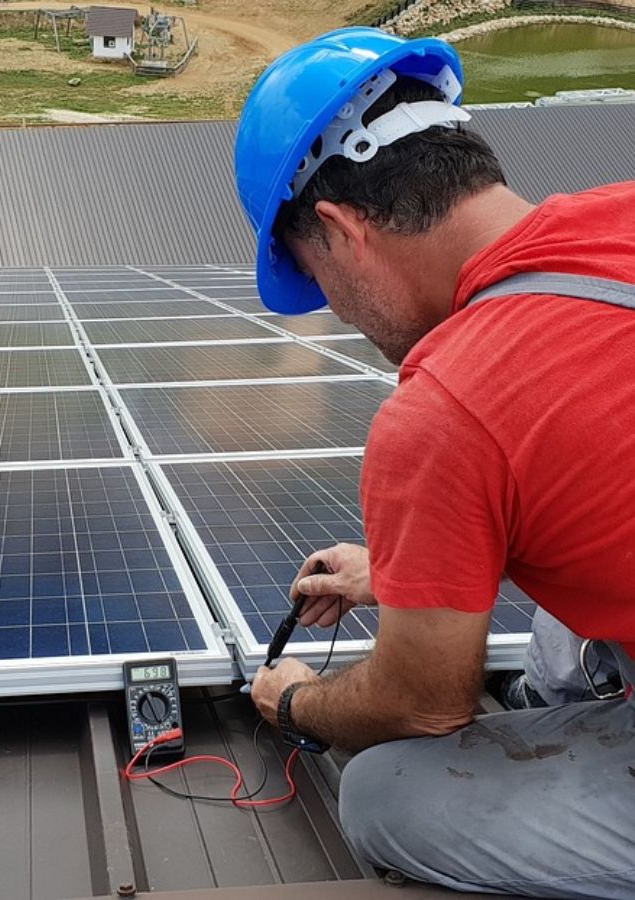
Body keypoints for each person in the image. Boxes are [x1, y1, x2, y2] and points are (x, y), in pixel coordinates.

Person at [233, 26, 635, 900]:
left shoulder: (444, 409)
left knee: (386, 794)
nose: (336, 315)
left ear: (340, 231)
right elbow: (599, 463)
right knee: (558, 634)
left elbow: (424, 706)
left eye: (318, 282)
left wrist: (297, 700)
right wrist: (401, 572)